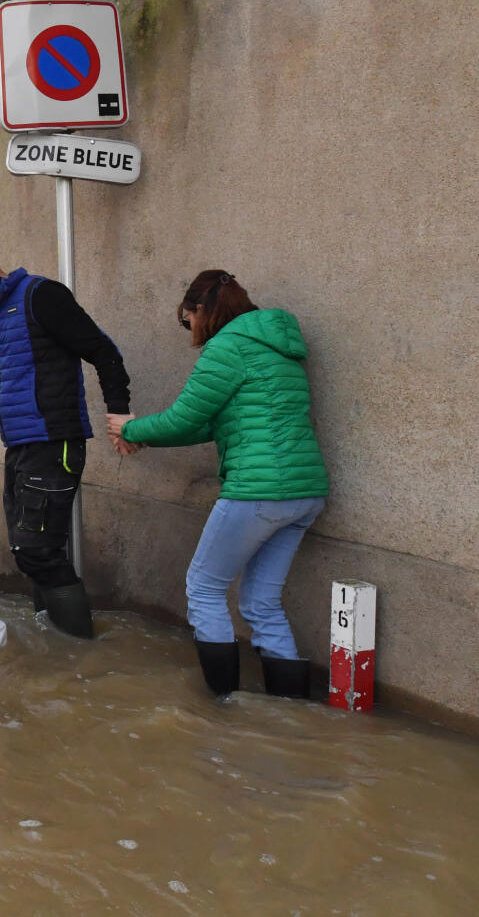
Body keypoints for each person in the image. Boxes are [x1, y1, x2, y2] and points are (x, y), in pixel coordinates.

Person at [108, 270, 329, 698]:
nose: (188, 328)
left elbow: (183, 418)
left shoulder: (227, 347)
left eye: (185, 318)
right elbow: (212, 424)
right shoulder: (279, 350)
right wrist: (145, 435)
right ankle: (290, 712)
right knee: (261, 604)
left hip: (257, 493)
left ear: (202, 310)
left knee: (204, 588)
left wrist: (131, 430)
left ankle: (224, 707)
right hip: (304, 494)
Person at [0, 234, 132, 639]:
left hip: (55, 440)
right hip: (21, 443)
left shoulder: (41, 295)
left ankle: (80, 649)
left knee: (38, 551)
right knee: (26, 551)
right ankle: (52, 648)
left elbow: (103, 351)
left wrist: (118, 412)